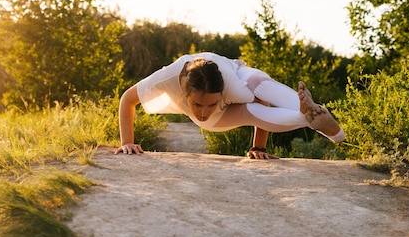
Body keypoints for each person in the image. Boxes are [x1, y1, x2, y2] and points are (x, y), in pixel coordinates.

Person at [114, 52, 345, 159]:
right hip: (221, 114)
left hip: (237, 73)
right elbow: (127, 99)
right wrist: (127, 143)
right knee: (250, 110)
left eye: (210, 104)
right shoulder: (166, 79)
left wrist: (259, 148)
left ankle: (312, 113)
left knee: (258, 82)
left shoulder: (234, 88)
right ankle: (312, 118)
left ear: (222, 94)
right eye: (197, 105)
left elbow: (260, 99)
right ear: (185, 92)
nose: (203, 112)